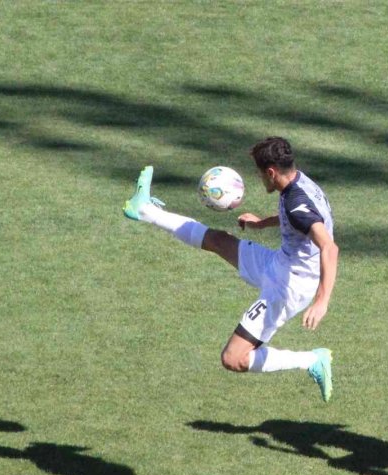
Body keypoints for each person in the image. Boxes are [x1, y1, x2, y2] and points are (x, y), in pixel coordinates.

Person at [122, 137, 338, 402]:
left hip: (287, 287)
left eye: (260, 174)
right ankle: (143, 209)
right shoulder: (298, 182)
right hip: (282, 264)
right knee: (218, 240)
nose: (260, 180)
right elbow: (299, 218)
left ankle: (311, 360)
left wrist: (322, 301)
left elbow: (330, 247)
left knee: (233, 358)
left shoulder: (295, 201)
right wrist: (260, 224)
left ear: (271, 172)